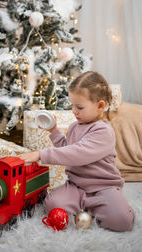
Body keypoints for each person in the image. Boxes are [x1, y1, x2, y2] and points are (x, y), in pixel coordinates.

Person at [19, 71, 135, 232]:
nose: (74, 111)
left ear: (100, 106)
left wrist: (41, 154)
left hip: (103, 187)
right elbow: (67, 148)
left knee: (121, 221)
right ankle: (85, 207)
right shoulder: (75, 126)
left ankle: (103, 207)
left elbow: (78, 154)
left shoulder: (103, 131)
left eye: (79, 107)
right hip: (76, 186)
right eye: (72, 105)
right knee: (52, 203)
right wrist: (54, 131)